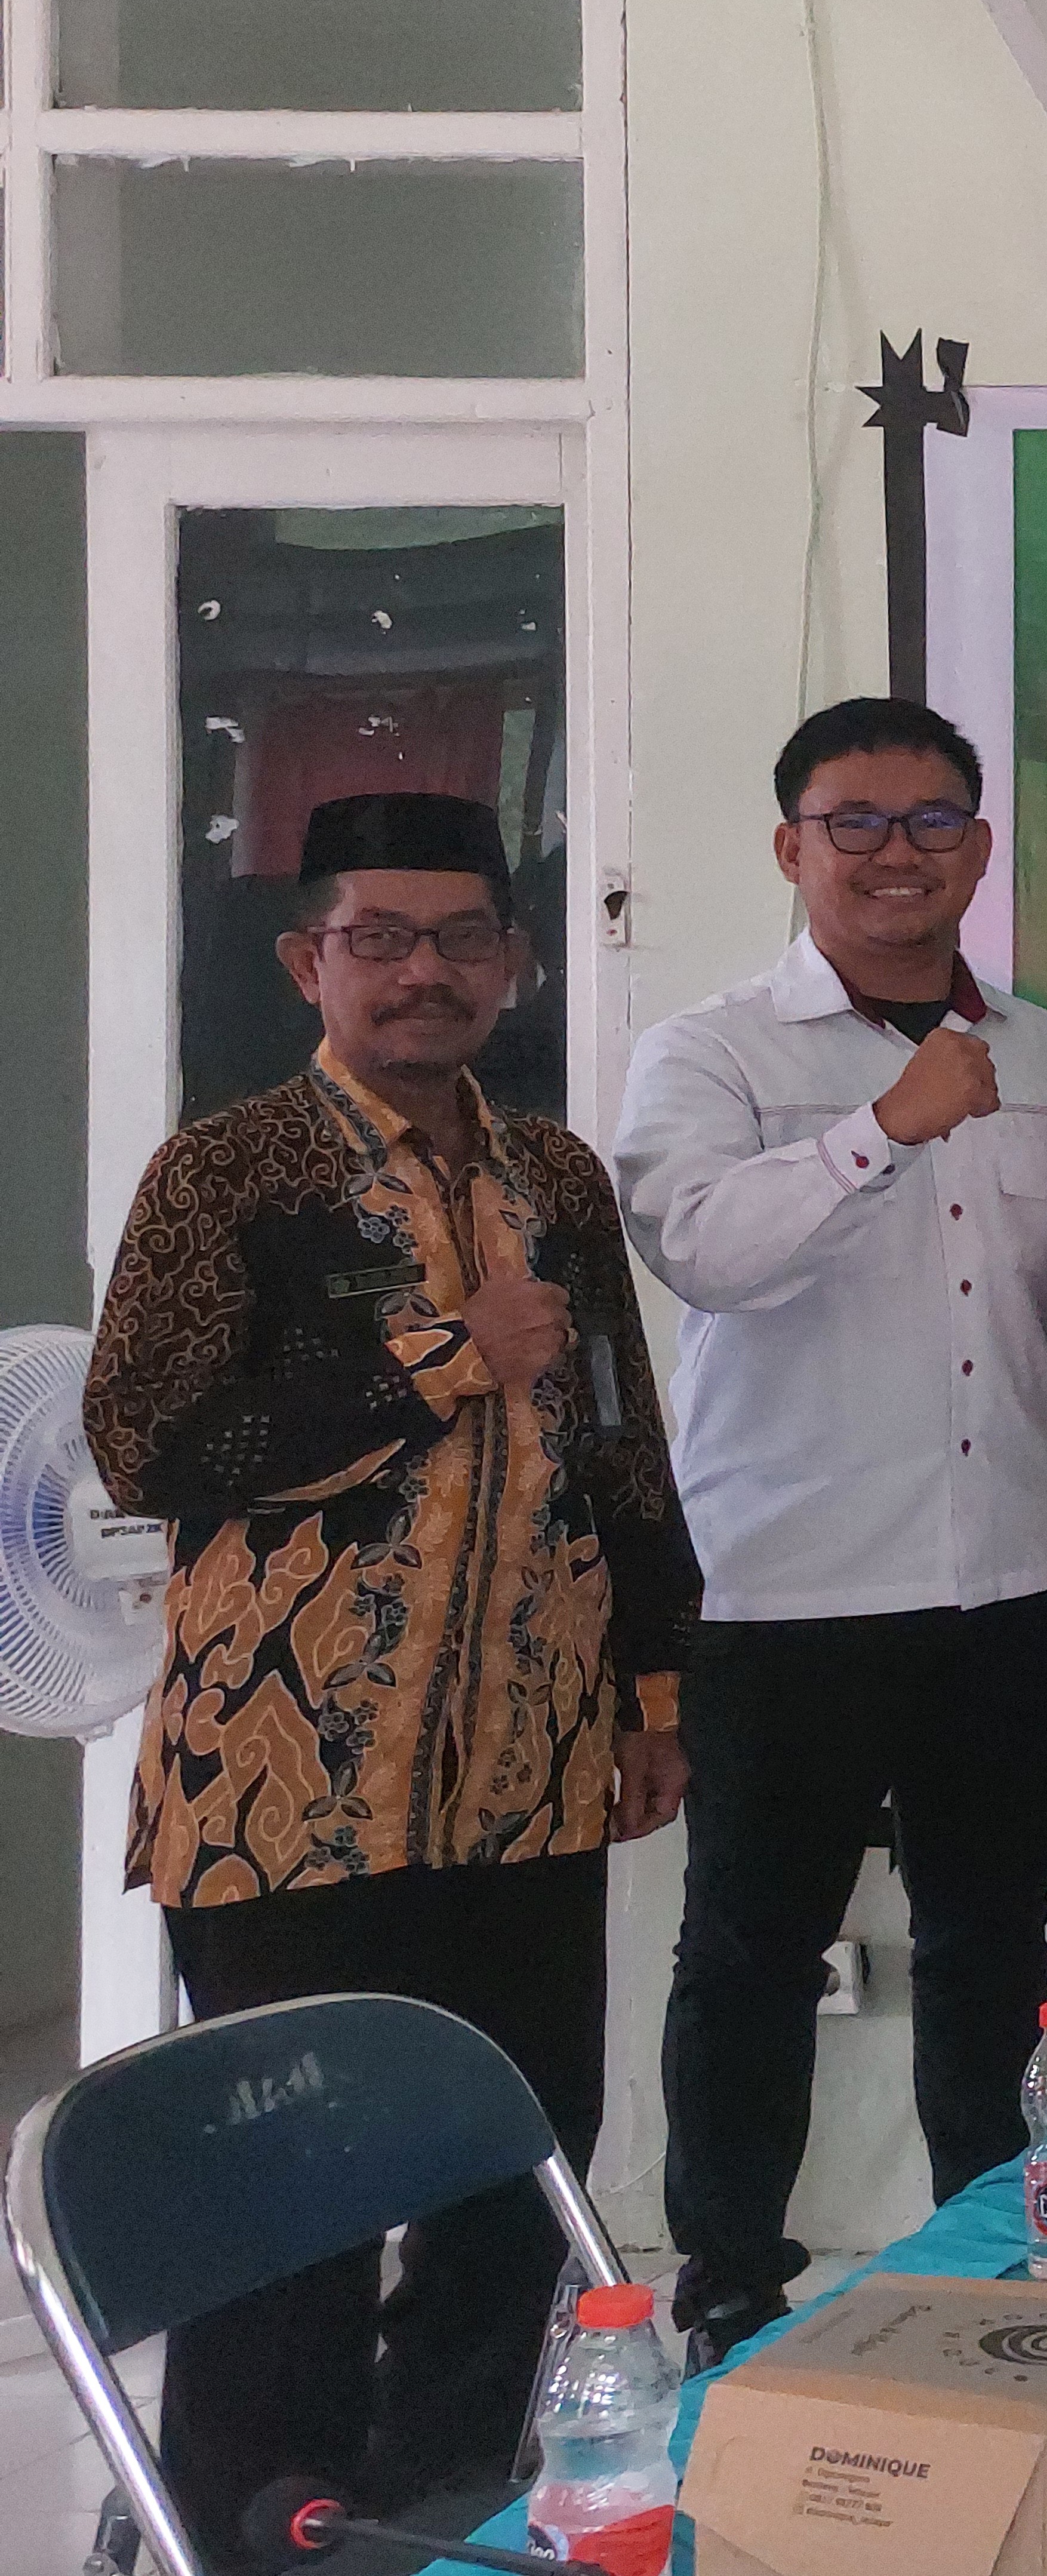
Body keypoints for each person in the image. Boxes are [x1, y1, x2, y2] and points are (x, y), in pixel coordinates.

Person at [82, 791, 692, 2552]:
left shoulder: (554, 1179)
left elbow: (615, 1441)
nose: (426, 975)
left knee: (518, 2164)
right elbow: (147, 1442)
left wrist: (657, 1692)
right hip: (288, 1797)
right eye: (383, 939)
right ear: (310, 960)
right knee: (291, 2208)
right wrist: (434, 1352)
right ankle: (250, 2525)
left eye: (463, 940)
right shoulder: (232, 1169)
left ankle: (434, 2513)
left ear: (512, 962)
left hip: (526, 1772)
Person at [615, 699, 1047, 2367]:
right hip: (786, 1585)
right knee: (751, 1949)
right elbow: (699, 1248)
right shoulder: (711, 1051)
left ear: (980, 850)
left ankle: (993, 2251)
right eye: (855, 820)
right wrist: (883, 1126)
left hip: (1016, 1571)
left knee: (998, 1934)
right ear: (791, 845)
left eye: (933, 822)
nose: (896, 852)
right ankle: (726, 2286)